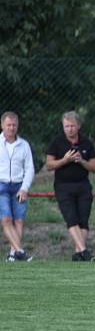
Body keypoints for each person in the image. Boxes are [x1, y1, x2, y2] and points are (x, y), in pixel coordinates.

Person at [46, 111, 95, 261]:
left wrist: (82, 161)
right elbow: (49, 165)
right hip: (63, 187)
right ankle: (84, 251)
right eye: (66, 126)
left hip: (83, 186)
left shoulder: (86, 143)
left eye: (72, 126)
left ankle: (78, 254)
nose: (69, 129)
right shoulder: (57, 143)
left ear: (78, 126)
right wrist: (65, 160)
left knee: (83, 220)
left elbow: (94, 168)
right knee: (71, 218)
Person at [0, 112, 35, 262]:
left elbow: (30, 169)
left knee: (19, 221)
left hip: (19, 186)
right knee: (6, 219)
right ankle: (20, 251)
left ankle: (13, 254)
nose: (11, 128)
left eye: (14, 125)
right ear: (2, 125)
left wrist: (24, 188)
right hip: (1, 186)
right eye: (8, 125)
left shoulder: (24, 145)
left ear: (17, 126)